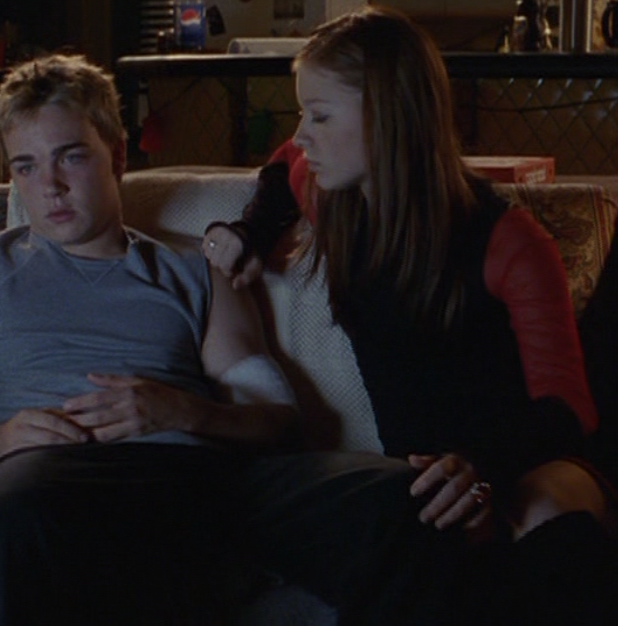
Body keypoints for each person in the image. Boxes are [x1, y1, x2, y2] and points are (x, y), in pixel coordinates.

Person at [0, 52, 467, 626]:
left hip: (203, 483)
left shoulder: (196, 269)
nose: (51, 186)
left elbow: (277, 421)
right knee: (2, 526)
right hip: (51, 479)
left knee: (410, 499)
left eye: (71, 156)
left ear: (118, 155)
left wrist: (182, 412)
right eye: (26, 167)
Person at [204, 6, 617, 625]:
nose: (304, 132)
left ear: (387, 116)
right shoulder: (334, 200)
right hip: (419, 486)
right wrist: (251, 232)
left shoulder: (506, 239)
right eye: (303, 112)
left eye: (320, 114)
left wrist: (479, 468)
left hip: (522, 463)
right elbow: (285, 161)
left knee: (542, 519)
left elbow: (569, 407)